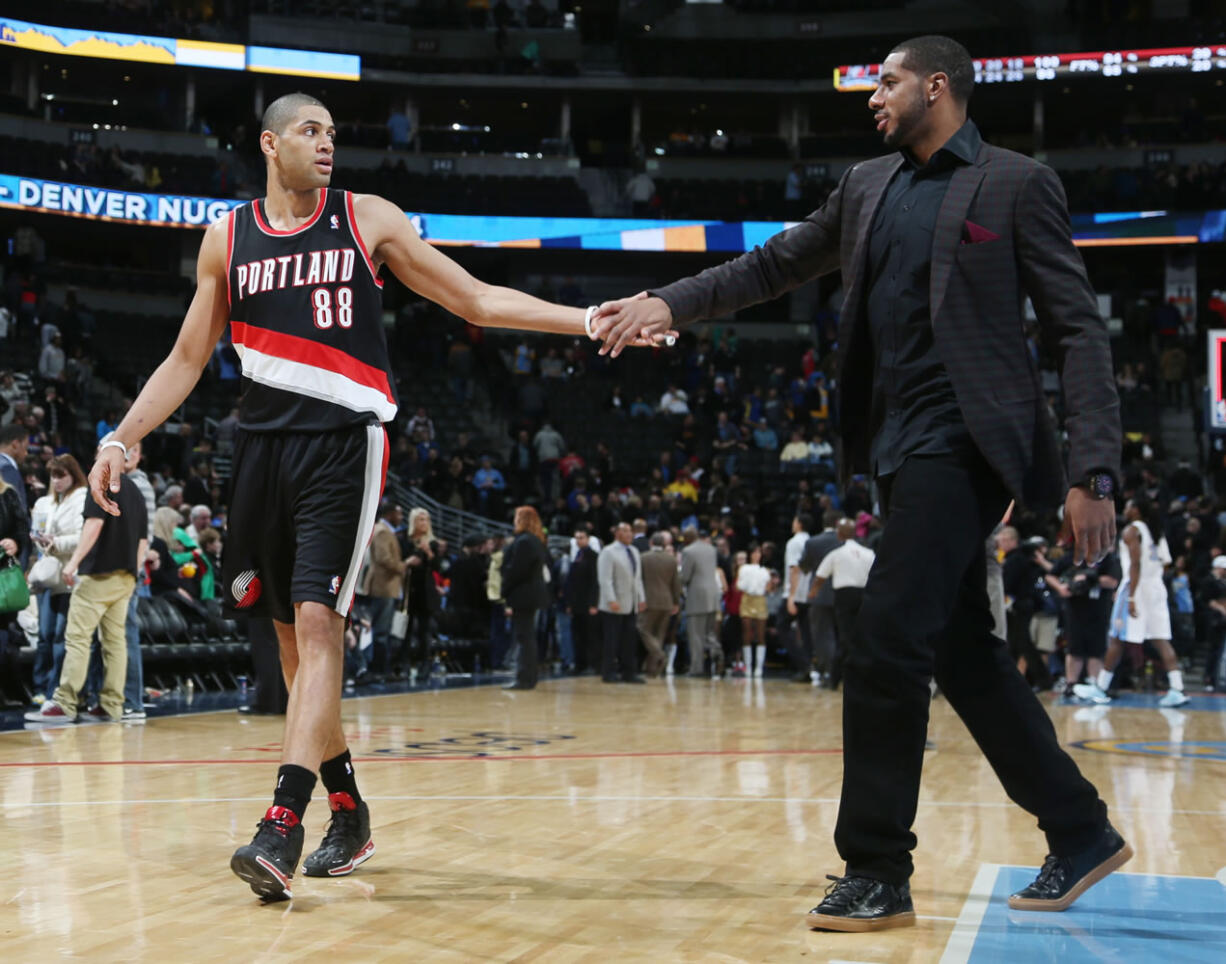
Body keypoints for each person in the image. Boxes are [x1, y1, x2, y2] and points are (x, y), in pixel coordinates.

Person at [83, 91, 672, 903]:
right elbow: (187, 359)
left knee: (321, 625)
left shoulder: (367, 218)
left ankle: (281, 824)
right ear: (269, 143)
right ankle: (349, 810)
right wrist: (120, 437)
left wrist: (591, 320)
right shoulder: (228, 237)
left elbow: (475, 300)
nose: (327, 145)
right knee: (292, 650)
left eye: (333, 133)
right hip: (259, 450)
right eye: (310, 131)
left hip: (343, 443)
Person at [593, 35, 1126, 929]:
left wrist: (1094, 470)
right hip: (895, 445)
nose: (873, 97)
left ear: (939, 85)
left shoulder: (1015, 182)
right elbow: (770, 265)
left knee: (882, 640)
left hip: (968, 444)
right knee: (960, 650)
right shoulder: (867, 185)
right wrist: (670, 303)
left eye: (888, 81)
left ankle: (877, 864)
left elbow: (1078, 332)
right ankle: (1081, 831)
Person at [26, 443, 146, 724]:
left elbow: (94, 525)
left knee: (77, 639)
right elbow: (143, 538)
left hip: (98, 574)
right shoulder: (135, 490)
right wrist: (135, 571)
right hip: (126, 576)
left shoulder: (100, 481)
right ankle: (112, 705)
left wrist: (72, 563)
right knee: (115, 642)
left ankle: (65, 702)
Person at [1073, 498, 1188, 707]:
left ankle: (1100, 688)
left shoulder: (1131, 531)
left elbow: (1135, 564)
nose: (1124, 509)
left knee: (1116, 638)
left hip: (1136, 588)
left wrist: (1132, 595)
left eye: (1127, 506)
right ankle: (1177, 688)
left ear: (1136, 510)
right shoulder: (1156, 531)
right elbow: (1167, 563)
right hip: (1156, 587)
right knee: (1161, 640)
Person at [28, 454, 87, 703]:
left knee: (60, 638)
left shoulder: (82, 498)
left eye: (61, 475)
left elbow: (83, 537)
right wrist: (43, 541)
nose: (57, 480)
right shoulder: (43, 503)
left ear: (72, 474)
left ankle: (56, 689)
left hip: (70, 576)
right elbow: (37, 534)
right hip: (47, 576)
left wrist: (55, 542)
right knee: (44, 636)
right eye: (53, 475)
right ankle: (40, 687)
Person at [810, 519, 876, 689]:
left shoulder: (836, 553)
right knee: (863, 637)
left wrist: (813, 592)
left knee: (845, 638)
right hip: (865, 596)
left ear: (839, 534)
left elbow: (820, 576)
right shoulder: (868, 553)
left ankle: (834, 680)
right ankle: (863, 679)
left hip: (844, 597)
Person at [500, 506, 550, 690]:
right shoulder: (536, 540)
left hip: (523, 594)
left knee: (524, 637)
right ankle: (528, 677)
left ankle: (525, 678)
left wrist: (504, 590)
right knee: (527, 636)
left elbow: (516, 570)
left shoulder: (524, 541)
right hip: (532, 594)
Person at [358, 500, 405, 678]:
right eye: (399, 513)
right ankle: (378, 670)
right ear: (389, 514)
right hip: (384, 587)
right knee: (381, 631)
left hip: (383, 586)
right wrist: (404, 566)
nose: (401, 517)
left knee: (381, 630)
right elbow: (384, 559)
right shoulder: (383, 531)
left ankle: (379, 668)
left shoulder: (381, 530)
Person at [597, 521, 647, 683]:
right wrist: (611, 599)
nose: (629, 534)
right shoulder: (608, 552)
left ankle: (629, 672)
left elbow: (637, 578)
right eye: (625, 531)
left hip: (630, 603)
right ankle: (608, 672)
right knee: (612, 640)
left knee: (629, 640)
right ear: (617, 533)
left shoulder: (634, 551)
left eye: (630, 531)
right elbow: (605, 579)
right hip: (614, 604)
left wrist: (641, 598)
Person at [398, 507, 439, 674]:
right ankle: (403, 663)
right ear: (413, 521)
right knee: (404, 629)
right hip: (407, 589)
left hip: (425, 591)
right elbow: (399, 561)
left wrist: (429, 552)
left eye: (426, 520)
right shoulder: (404, 539)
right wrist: (409, 561)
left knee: (425, 630)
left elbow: (438, 567)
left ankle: (425, 664)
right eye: (421, 519)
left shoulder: (433, 542)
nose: (424, 523)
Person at [638, 530, 681, 677]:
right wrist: (676, 602)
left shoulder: (643, 558)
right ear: (664, 544)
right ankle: (653, 669)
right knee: (659, 635)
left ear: (651, 543)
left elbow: (638, 581)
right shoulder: (671, 560)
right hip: (667, 601)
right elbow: (676, 584)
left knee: (643, 629)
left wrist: (640, 599)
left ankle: (659, 654)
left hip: (649, 601)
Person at [680, 527, 721, 677]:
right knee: (709, 632)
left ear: (687, 538)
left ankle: (696, 668)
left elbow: (685, 576)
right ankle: (717, 653)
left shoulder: (688, 551)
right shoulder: (711, 549)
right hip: (713, 595)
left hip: (697, 597)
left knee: (696, 635)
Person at [565, 528, 600, 673]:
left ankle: (593, 664)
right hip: (577, 604)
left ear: (588, 539)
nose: (579, 540)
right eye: (577, 538)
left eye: (582, 537)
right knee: (577, 635)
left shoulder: (593, 556)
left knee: (591, 635)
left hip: (588, 603)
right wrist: (569, 604)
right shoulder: (576, 556)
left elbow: (595, 582)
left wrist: (594, 603)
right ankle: (580, 664)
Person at [737, 543, 770, 677]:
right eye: (754, 552)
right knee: (747, 633)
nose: (757, 555)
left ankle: (759, 667)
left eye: (759, 553)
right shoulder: (744, 569)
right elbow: (740, 585)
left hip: (760, 599)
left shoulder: (765, 571)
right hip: (747, 599)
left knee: (760, 634)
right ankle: (748, 666)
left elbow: (768, 587)